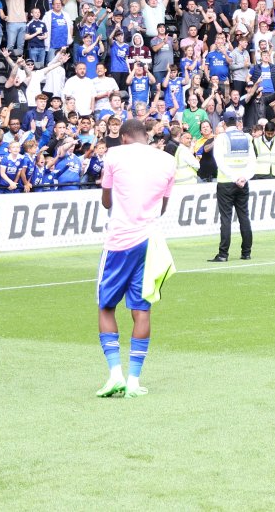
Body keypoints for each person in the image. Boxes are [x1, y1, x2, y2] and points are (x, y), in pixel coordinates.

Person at [96, 115, 179, 398]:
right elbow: (164, 206)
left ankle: (114, 374)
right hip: (150, 241)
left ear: (123, 136)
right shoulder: (167, 159)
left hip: (120, 239)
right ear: (146, 135)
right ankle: (134, 379)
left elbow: (106, 201)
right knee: (141, 309)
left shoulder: (114, 154)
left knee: (106, 306)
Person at [208, 109, 255, 262]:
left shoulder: (222, 138)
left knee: (226, 218)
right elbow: (252, 161)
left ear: (223, 122)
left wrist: (235, 178)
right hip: (243, 182)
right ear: (236, 122)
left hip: (226, 182)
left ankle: (223, 254)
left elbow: (220, 161)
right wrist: (244, 178)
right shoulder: (247, 137)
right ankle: (246, 252)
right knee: (244, 216)